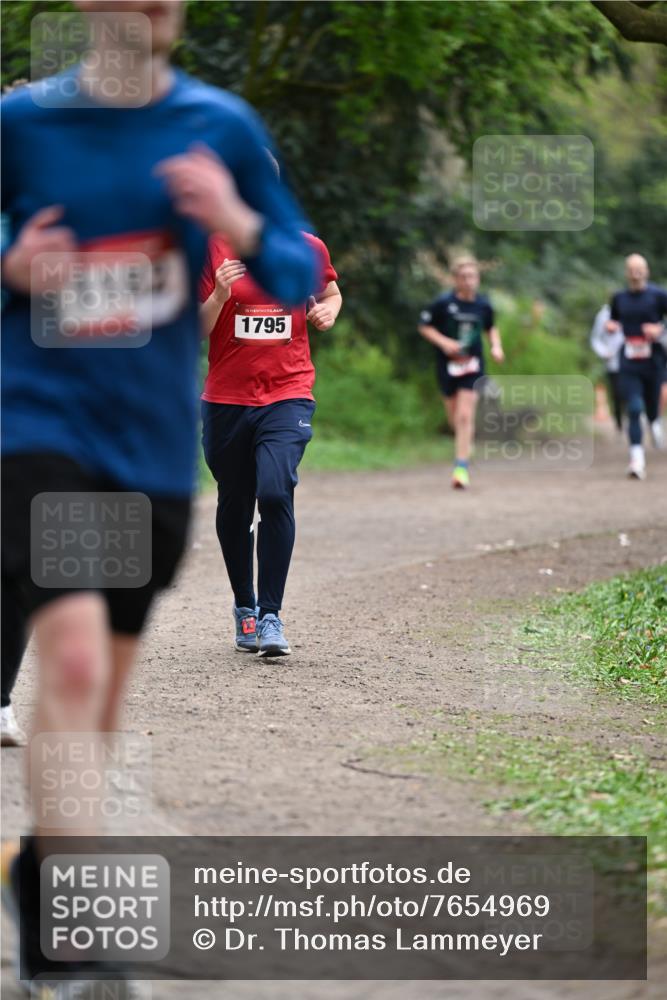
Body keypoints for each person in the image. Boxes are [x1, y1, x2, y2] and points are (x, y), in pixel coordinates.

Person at [1, 0, 318, 990]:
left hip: (149, 445)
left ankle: (44, 865)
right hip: (38, 427)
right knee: (78, 662)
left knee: (96, 700)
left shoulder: (219, 127)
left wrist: (229, 217)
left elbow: (298, 271)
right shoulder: (22, 124)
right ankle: (71, 942)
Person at [200, 155, 341, 656]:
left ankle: (271, 616)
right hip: (226, 398)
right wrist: (217, 294)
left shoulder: (304, 247)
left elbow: (329, 288)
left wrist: (326, 309)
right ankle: (244, 605)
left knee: (276, 490)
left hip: (288, 391)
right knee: (234, 503)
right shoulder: (210, 248)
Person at [418, 257, 504, 489]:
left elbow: (490, 327)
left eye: (472, 276)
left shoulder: (484, 304)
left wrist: (496, 346)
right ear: (455, 279)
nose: (469, 281)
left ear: (478, 278)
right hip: (447, 366)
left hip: (472, 365)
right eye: (464, 277)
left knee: (465, 415)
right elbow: (424, 326)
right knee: (455, 418)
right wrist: (445, 342)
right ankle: (466, 446)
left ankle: (461, 468)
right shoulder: (443, 303)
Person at [607, 254, 667, 479]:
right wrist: (611, 326)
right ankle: (637, 460)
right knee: (633, 408)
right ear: (626, 272)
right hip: (629, 360)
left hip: (654, 360)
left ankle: (654, 422)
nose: (636, 273)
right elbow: (613, 320)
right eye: (631, 269)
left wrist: (660, 330)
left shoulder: (659, 295)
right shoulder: (619, 298)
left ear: (647, 271)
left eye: (640, 269)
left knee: (652, 408)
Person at [590, 302, 625, 433]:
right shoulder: (604, 315)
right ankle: (619, 422)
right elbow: (595, 338)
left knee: (632, 390)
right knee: (617, 392)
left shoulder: (637, 310)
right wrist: (604, 352)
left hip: (634, 360)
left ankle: (633, 417)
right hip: (613, 361)